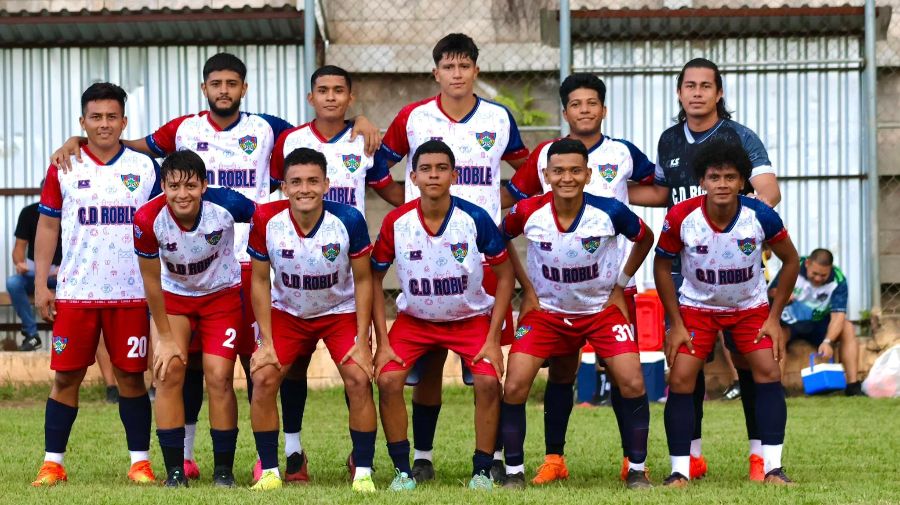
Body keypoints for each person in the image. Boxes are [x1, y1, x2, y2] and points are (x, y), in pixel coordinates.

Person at [50, 53, 381, 481]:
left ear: (244, 88)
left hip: (252, 263)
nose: (224, 89)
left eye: (232, 83)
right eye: (216, 83)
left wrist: (361, 120)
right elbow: (130, 145)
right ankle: (184, 454)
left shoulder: (270, 129)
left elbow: (320, 125)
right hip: (191, 272)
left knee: (253, 365)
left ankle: (274, 458)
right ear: (204, 88)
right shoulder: (182, 130)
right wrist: (80, 142)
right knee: (182, 365)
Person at [375, 32, 529, 482]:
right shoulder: (414, 117)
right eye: (449, 67)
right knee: (424, 374)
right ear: (436, 72)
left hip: (480, 254)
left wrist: (498, 205)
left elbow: (525, 170)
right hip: (424, 252)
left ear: (476, 70)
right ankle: (420, 458)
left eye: (465, 66)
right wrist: (403, 207)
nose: (457, 74)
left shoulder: (499, 119)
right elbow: (379, 168)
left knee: (487, 372)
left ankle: (491, 462)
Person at [629, 57, 782, 481]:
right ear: (679, 93)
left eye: (705, 86)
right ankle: (691, 458)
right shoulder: (669, 140)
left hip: (734, 270)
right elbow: (665, 194)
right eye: (689, 86)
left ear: (719, 93)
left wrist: (736, 231)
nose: (696, 93)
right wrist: (606, 186)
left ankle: (761, 457)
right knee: (685, 364)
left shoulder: (738, 137)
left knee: (752, 364)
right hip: (681, 267)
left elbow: (770, 192)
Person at [502, 72, 656, 484]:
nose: (566, 177)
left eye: (575, 171)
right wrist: (527, 289)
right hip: (548, 310)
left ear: (588, 174)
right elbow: (499, 240)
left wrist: (620, 285)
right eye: (558, 172)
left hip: (602, 307)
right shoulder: (529, 209)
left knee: (631, 379)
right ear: (547, 175)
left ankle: (636, 468)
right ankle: (525, 468)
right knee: (517, 383)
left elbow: (647, 236)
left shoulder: (610, 205)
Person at [265, 65, 404, 480]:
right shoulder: (292, 140)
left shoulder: (363, 138)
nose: (330, 97)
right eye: (322, 90)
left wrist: (438, 205)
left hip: (346, 270)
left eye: (338, 91)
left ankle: (358, 459)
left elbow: (388, 189)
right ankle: (292, 452)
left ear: (350, 96)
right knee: (291, 369)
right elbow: (276, 192)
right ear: (311, 98)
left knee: (356, 371)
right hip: (296, 273)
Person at [31, 82, 160, 486]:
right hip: (76, 293)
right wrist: (40, 282)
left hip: (131, 293)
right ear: (82, 122)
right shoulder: (64, 165)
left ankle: (140, 462)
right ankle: (53, 463)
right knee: (65, 377)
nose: (104, 124)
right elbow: (48, 223)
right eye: (95, 117)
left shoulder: (144, 168)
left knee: (130, 378)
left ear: (124, 121)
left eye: (111, 117)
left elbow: (160, 225)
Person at [653, 138, 799, 487]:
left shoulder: (760, 215)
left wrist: (773, 317)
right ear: (701, 181)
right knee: (681, 377)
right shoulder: (681, 216)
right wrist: (674, 323)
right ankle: (680, 471)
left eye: (730, 177)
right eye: (714, 176)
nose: (721, 183)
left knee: (767, 372)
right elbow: (661, 266)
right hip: (696, 308)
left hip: (749, 309)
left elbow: (792, 260)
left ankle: (772, 469)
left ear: (742, 182)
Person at [371, 140, 514, 491]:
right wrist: (383, 340)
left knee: (487, 380)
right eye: (426, 169)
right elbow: (372, 278)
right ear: (414, 177)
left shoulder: (475, 218)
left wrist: (494, 339)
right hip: (416, 322)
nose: (433, 175)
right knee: (388, 380)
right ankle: (406, 470)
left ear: (454, 175)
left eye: (441, 169)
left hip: (469, 320)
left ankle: (482, 470)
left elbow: (507, 275)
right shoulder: (396, 221)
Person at [246, 148, 378, 492]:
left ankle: (362, 471)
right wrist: (266, 341)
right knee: (262, 378)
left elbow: (364, 280)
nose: (305, 188)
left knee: (359, 378)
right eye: (296, 182)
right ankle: (271, 471)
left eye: (312, 181)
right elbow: (259, 280)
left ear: (326, 184)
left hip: (338, 313)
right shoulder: (265, 219)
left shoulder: (349, 219)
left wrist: (363, 340)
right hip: (288, 313)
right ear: (284, 187)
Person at [133, 150, 256, 487]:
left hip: (222, 296)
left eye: (190, 185)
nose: (182, 194)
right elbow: (150, 281)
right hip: (175, 299)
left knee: (219, 377)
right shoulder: (147, 219)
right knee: (169, 372)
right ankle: (175, 470)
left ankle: (223, 472)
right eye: (174, 186)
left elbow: (267, 219)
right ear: (163, 186)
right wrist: (166, 336)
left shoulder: (229, 204)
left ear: (204, 185)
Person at [773, 248, 862, 395]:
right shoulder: (793, 266)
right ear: (807, 263)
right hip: (789, 322)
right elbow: (770, 292)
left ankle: (853, 386)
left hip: (819, 324)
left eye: (823, 275)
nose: (818, 279)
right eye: (815, 274)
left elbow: (838, 315)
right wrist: (781, 295)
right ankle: (777, 388)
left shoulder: (838, 280)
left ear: (830, 269)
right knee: (777, 334)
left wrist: (828, 341)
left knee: (848, 327)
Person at [8, 191, 62, 351]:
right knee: (13, 283)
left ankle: (72, 338)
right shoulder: (29, 212)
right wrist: (19, 263)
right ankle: (32, 335)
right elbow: (19, 248)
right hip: (36, 271)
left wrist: (67, 268)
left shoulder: (72, 211)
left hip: (65, 273)